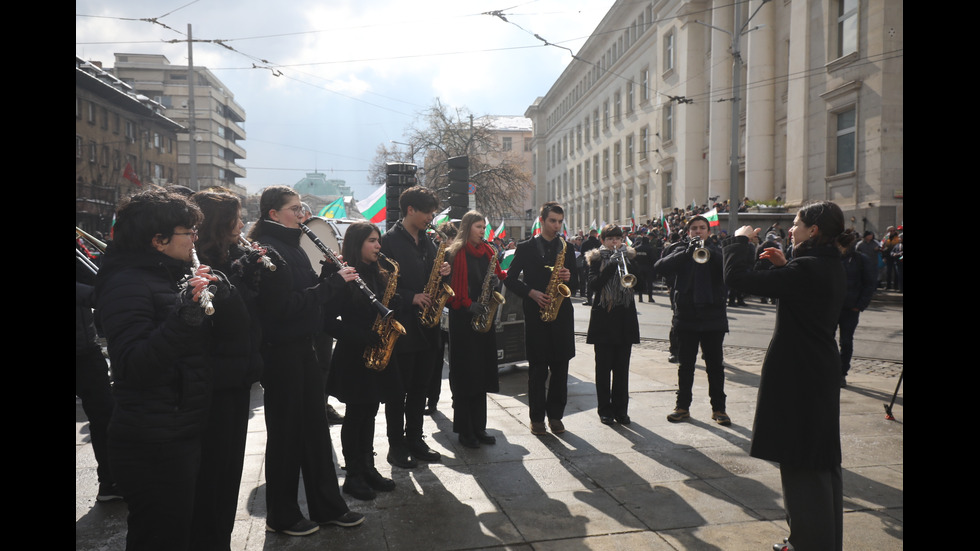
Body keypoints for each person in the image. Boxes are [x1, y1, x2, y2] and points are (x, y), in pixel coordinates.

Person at [94, 189, 221, 550]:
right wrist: (186, 315)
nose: (196, 239)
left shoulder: (166, 273)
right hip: (151, 441)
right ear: (158, 240)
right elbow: (134, 365)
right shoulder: (126, 283)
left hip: (176, 428)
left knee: (179, 531)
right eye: (189, 232)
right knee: (158, 536)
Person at [723, 201, 848, 551]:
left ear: (814, 231)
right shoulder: (825, 264)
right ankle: (818, 540)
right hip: (815, 369)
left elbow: (737, 280)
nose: (791, 229)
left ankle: (808, 543)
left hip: (800, 373)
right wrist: (787, 263)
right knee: (820, 459)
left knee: (801, 459)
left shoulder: (807, 268)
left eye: (796, 224)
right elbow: (803, 288)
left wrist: (739, 242)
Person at [247, 186, 364, 536]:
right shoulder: (268, 251)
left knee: (315, 430)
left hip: (303, 349)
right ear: (273, 214)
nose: (302, 215)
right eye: (295, 209)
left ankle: (327, 506)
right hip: (281, 352)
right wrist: (330, 286)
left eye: (302, 209)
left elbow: (310, 294)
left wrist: (331, 275)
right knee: (286, 435)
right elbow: (283, 308)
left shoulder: (294, 248)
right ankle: (281, 514)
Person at [187, 189, 265, 550]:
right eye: (234, 219)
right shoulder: (202, 265)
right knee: (215, 473)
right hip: (215, 383)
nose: (241, 225)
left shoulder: (233, 256)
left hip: (236, 377)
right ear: (219, 224)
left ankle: (219, 537)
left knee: (228, 472)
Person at [326, 222, 399, 501]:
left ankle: (368, 467)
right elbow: (326, 321)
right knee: (356, 416)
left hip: (377, 350)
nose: (378, 246)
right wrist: (361, 336)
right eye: (372, 241)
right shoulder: (344, 275)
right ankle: (354, 474)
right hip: (354, 353)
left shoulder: (378, 272)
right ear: (357, 244)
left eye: (378, 240)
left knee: (369, 413)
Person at [380, 186, 451, 468]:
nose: (431, 218)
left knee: (420, 387)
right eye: (428, 212)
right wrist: (411, 297)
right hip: (403, 324)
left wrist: (444, 270)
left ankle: (415, 438)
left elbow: (434, 274)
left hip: (427, 325)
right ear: (411, 210)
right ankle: (396, 444)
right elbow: (381, 283)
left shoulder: (429, 241)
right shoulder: (388, 241)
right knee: (399, 391)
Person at [504, 202, 578, 435]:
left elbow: (577, 285)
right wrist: (531, 292)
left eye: (559, 221)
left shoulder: (565, 247)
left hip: (562, 315)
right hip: (536, 313)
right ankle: (536, 418)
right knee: (537, 368)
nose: (556, 226)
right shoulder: (526, 247)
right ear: (542, 220)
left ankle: (556, 416)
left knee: (560, 367)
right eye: (552, 221)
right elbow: (510, 278)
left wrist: (569, 277)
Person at [654, 216, 731, 426]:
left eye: (702, 228)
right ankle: (682, 407)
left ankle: (719, 408)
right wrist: (687, 252)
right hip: (687, 316)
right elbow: (659, 267)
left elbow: (727, 269)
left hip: (713, 316)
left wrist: (710, 251)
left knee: (715, 365)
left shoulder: (716, 250)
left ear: (709, 231)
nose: (698, 232)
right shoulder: (680, 250)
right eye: (694, 229)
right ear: (688, 232)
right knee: (685, 365)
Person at [446, 212, 506, 448]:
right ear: (467, 227)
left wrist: (495, 283)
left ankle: (479, 427)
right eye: (478, 226)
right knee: (465, 376)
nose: (482, 231)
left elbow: (498, 276)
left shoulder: (489, 252)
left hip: (483, 317)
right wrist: (468, 304)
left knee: (481, 374)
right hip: (463, 319)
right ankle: (465, 430)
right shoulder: (455, 253)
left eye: (483, 227)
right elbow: (448, 290)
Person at [76, 245, 119, 503]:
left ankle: (110, 481)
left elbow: (95, 280)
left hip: (84, 348)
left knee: (105, 414)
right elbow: (95, 292)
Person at [585, 224, 639, 426]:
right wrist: (610, 265)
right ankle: (605, 410)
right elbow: (593, 285)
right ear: (603, 241)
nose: (614, 242)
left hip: (624, 319)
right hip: (604, 319)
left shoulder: (630, 257)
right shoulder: (596, 259)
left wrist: (627, 261)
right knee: (603, 369)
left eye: (618, 238)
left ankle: (621, 410)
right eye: (610, 238)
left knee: (622, 369)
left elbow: (638, 282)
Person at [424, 220, 458, 416]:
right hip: (438, 311)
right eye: (447, 239)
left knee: (454, 360)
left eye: (453, 239)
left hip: (453, 312)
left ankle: (455, 400)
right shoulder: (434, 254)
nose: (450, 243)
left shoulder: (457, 255)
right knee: (435, 361)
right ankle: (432, 400)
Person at [836, 230, 876, 388]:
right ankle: (829, 371)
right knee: (827, 340)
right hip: (832, 306)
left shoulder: (860, 259)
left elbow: (869, 284)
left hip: (850, 308)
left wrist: (859, 305)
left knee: (846, 342)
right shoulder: (833, 258)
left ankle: (842, 373)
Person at [580, 229, 601, 305]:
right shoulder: (599, 243)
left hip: (587, 264)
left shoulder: (585, 242)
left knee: (588, 282)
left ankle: (589, 300)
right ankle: (598, 300)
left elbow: (582, 252)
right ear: (596, 234)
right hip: (598, 264)